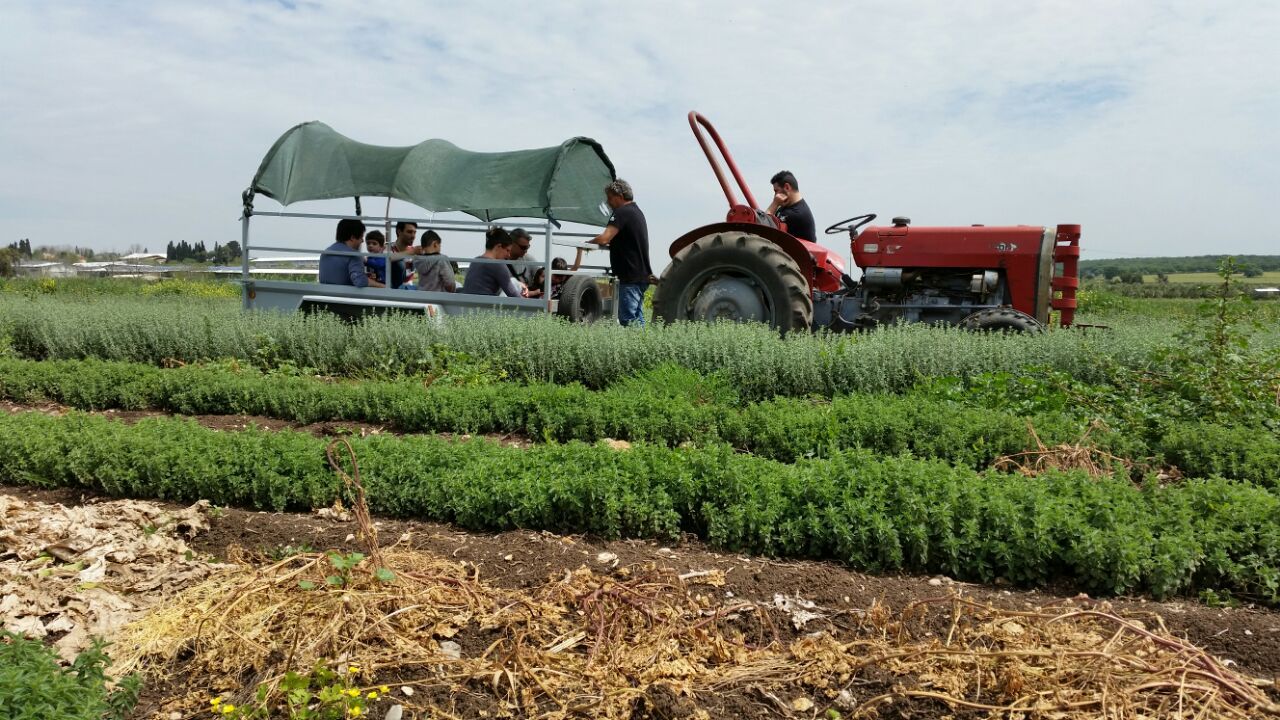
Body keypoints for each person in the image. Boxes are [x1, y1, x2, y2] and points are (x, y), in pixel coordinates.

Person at [589, 179, 652, 326]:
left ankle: (635, 348)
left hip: (630, 276)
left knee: (627, 319)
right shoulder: (636, 212)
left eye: (610, 198)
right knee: (637, 319)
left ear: (620, 196)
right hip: (641, 275)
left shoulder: (622, 212)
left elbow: (605, 238)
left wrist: (587, 244)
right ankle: (643, 346)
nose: (608, 202)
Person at [460, 227, 527, 297]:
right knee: (513, 282)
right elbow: (513, 294)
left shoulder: (475, 261)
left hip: (468, 305)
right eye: (507, 250)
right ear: (499, 246)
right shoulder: (498, 266)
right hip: (486, 306)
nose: (508, 255)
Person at [320, 218, 383, 287]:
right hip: (344, 296)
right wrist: (382, 286)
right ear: (352, 237)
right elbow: (360, 282)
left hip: (323, 296)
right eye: (361, 237)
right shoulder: (354, 255)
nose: (362, 241)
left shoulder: (325, 253)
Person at [766, 170, 816, 242]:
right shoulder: (787, 207)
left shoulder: (796, 214)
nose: (775, 195)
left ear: (787, 187)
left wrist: (774, 204)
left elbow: (764, 228)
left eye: (776, 191)